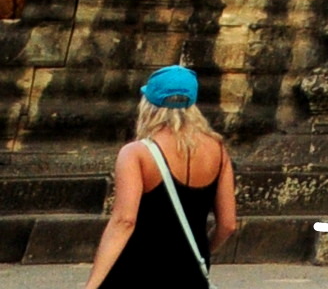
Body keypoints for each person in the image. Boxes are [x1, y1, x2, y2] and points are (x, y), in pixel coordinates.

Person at [84, 66, 236, 289]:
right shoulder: (218, 151)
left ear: (149, 103)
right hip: (189, 276)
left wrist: (92, 285)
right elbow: (228, 224)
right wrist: (199, 252)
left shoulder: (137, 153)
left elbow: (124, 221)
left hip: (136, 271)